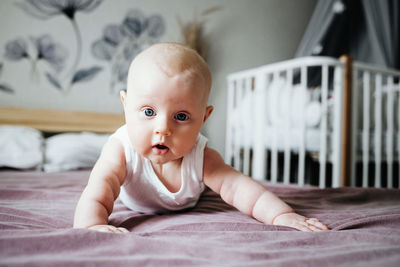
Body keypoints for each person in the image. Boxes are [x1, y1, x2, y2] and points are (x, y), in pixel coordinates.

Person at [73, 42, 329, 233]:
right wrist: (92, 226)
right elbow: (98, 191)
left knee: (222, 181)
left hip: (194, 195)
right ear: (126, 105)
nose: (163, 129)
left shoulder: (201, 155)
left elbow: (241, 188)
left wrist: (281, 215)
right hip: (135, 203)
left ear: (203, 118)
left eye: (181, 117)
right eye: (149, 112)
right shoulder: (120, 149)